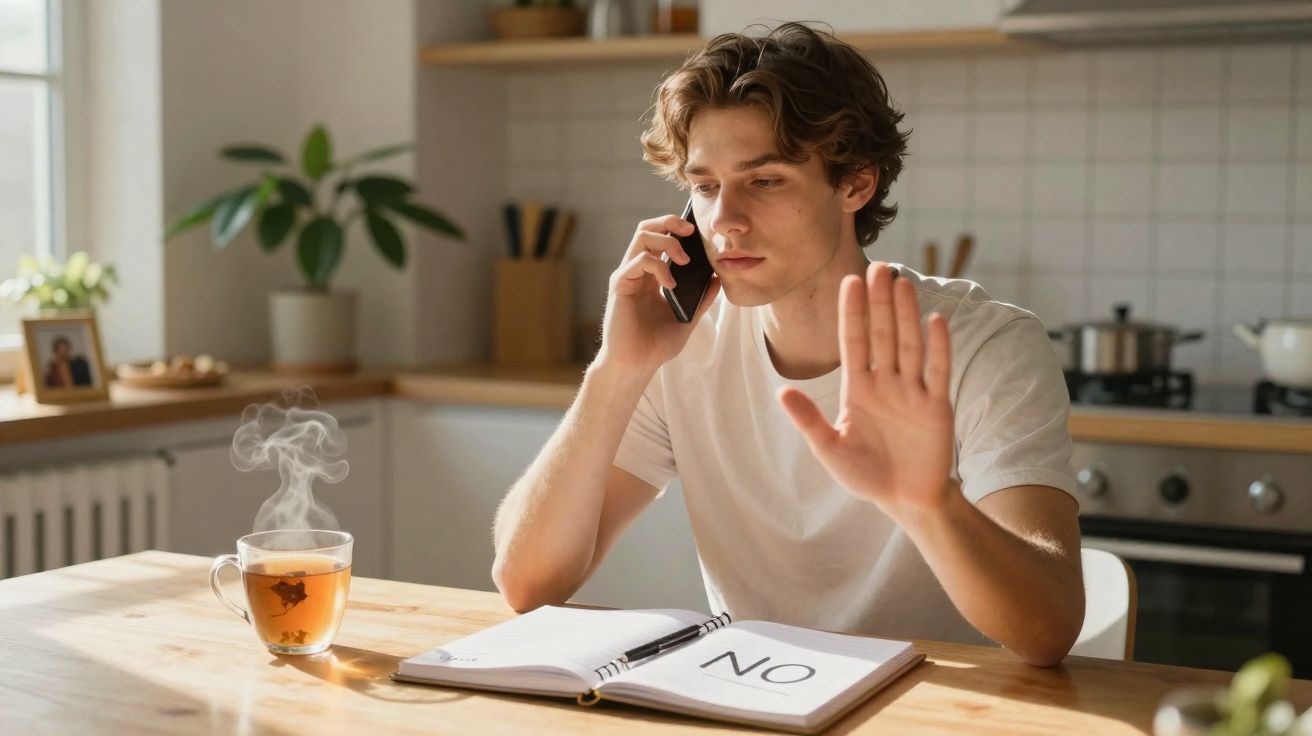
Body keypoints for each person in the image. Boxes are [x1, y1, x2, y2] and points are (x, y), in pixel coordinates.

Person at [491, 22, 1084, 667]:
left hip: (936, 708)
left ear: (855, 184)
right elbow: (527, 583)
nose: (724, 222)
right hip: (755, 696)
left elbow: (1047, 628)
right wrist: (616, 368)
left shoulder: (984, 345)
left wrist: (928, 502)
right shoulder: (682, 347)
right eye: (706, 186)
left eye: (765, 180)